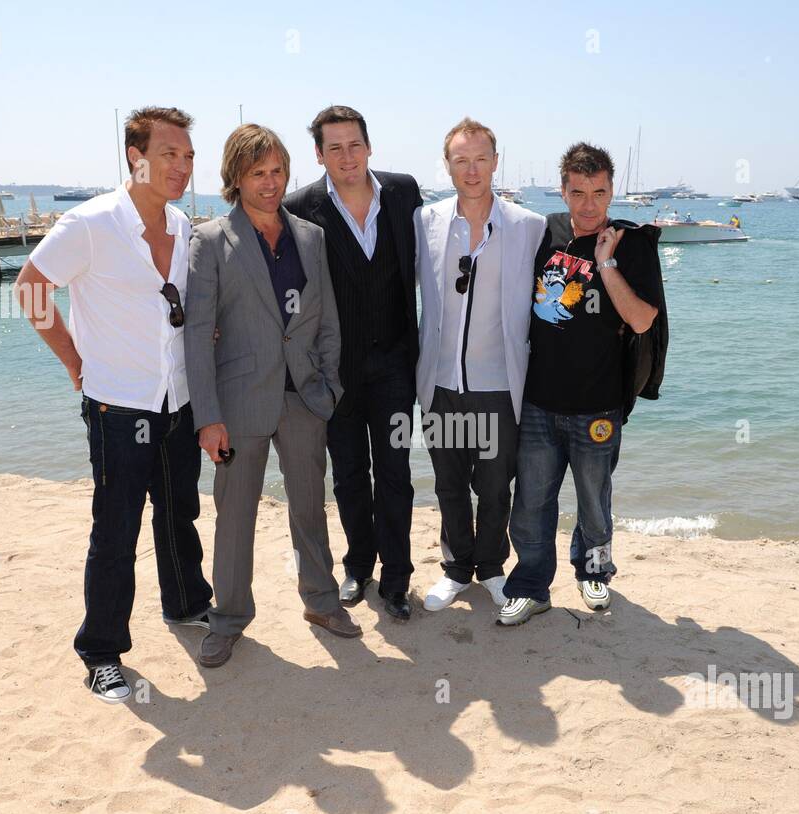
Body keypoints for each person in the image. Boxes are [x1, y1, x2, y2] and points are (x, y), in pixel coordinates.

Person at [15, 106, 213, 702]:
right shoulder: (90, 223)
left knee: (179, 513)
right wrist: (73, 360)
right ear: (137, 156)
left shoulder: (181, 225)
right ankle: (101, 652)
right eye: (169, 154)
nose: (181, 166)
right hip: (118, 408)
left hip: (175, 402)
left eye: (188, 156)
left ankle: (186, 605)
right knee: (116, 529)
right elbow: (30, 287)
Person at [184, 123, 360, 666]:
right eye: (257, 173)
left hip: (304, 398)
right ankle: (229, 618)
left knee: (310, 508)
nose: (270, 183)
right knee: (234, 517)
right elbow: (196, 333)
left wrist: (328, 385)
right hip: (239, 404)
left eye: (278, 171)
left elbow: (329, 319)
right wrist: (207, 416)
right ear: (236, 178)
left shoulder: (311, 236)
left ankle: (322, 602)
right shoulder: (211, 239)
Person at [499, 142, 662, 626]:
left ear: (612, 191)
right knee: (530, 502)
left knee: (594, 501)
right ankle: (530, 586)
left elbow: (640, 320)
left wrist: (607, 263)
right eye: (578, 192)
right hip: (538, 402)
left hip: (599, 406)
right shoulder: (541, 233)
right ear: (562, 190)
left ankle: (593, 572)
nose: (589, 205)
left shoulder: (630, 243)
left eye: (599, 192)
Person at [283, 106, 421, 621]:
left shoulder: (403, 193)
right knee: (347, 476)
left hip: (394, 365)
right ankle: (358, 565)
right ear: (318, 154)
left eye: (354, 144)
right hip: (333, 371)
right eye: (334, 147)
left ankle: (397, 578)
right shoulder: (300, 208)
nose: (347, 156)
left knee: (395, 472)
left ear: (369, 146)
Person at [414, 118, 545, 612]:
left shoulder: (527, 227)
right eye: (460, 160)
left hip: (498, 383)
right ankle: (455, 569)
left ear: (496, 160)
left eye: (480, 158)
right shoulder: (424, 221)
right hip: (441, 382)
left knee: (493, 487)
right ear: (447, 165)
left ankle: (490, 567)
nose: (471, 169)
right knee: (448, 483)